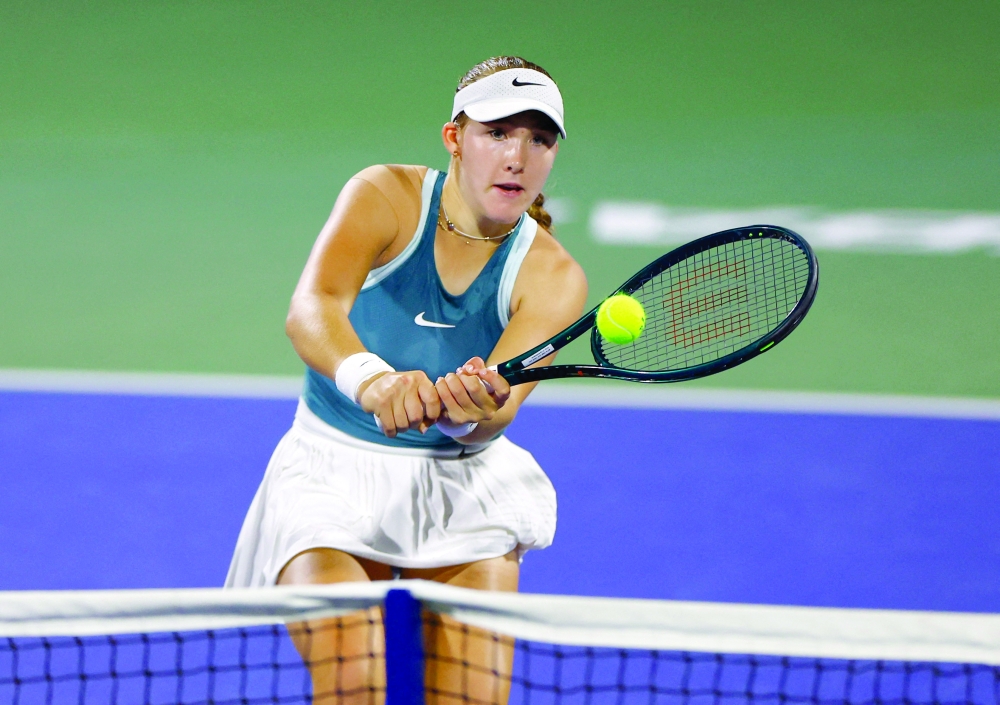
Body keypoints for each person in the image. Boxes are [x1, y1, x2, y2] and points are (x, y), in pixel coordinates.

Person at [225, 56, 587, 704]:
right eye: (498, 132)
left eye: (540, 138)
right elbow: (313, 307)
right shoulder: (385, 195)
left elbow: (497, 414)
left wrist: (463, 410)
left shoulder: (554, 276)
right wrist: (376, 383)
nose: (519, 157)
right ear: (455, 137)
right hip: (331, 473)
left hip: (462, 487)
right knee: (354, 680)